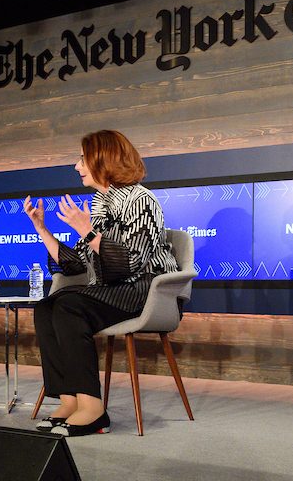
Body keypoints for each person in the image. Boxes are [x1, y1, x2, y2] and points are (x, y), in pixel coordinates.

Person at [22, 130, 178, 436]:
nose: (77, 166)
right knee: (46, 307)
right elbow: (76, 264)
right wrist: (41, 229)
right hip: (110, 289)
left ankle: (93, 409)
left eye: (82, 158)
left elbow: (133, 262)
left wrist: (88, 232)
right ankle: (69, 400)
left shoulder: (141, 199)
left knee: (69, 306)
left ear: (101, 159)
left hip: (144, 290)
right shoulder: (100, 202)